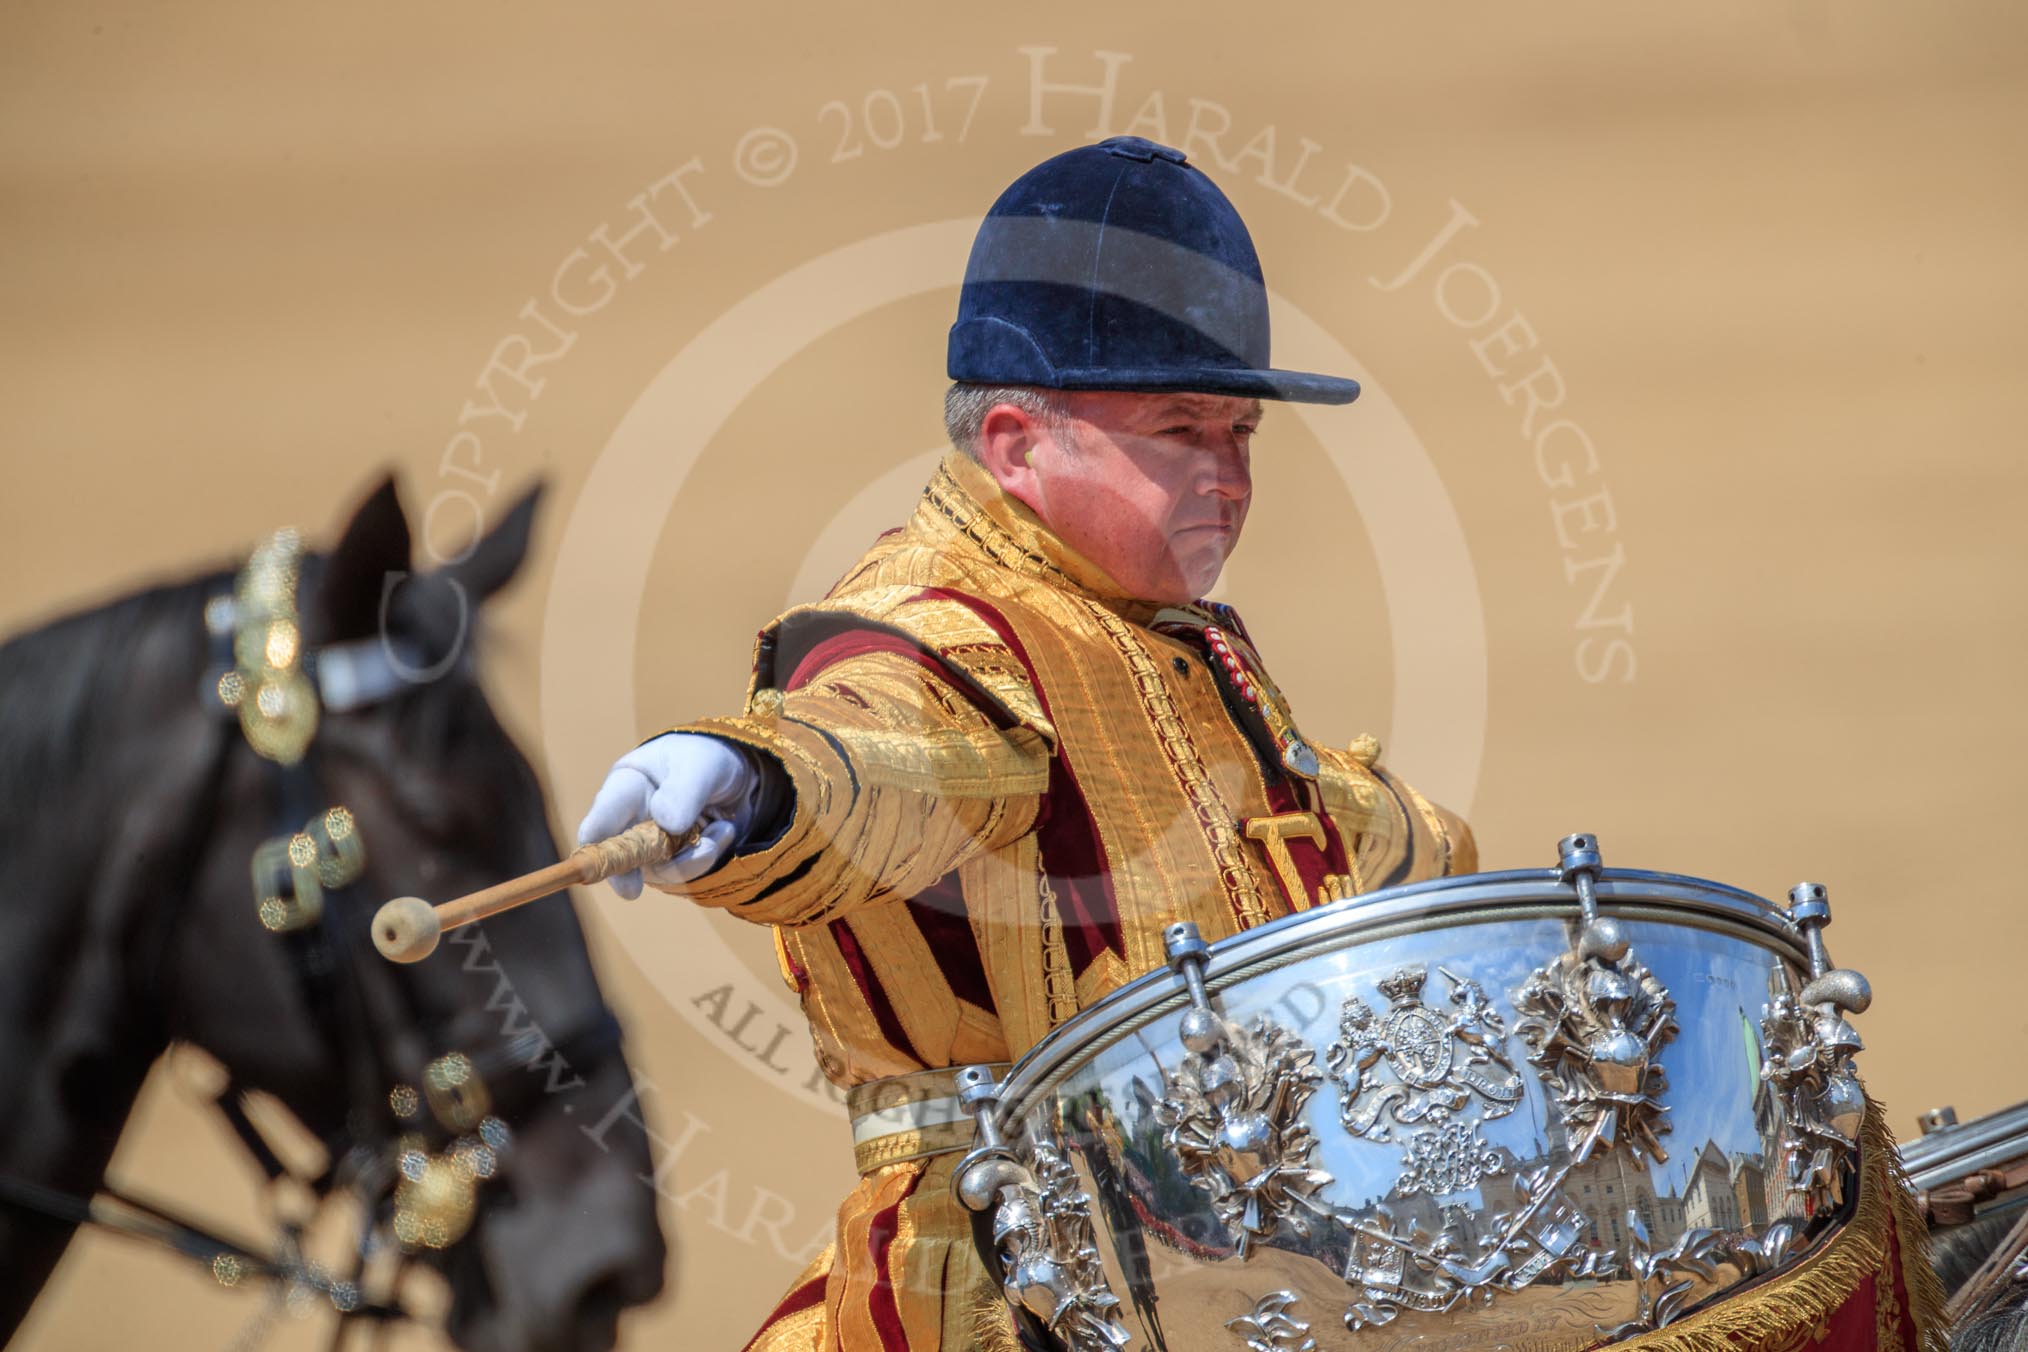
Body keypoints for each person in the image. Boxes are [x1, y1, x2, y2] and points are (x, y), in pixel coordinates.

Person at [577, 135, 1476, 1350]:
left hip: (1241, 1264)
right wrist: (755, 782)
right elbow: (885, 759)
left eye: (1242, 434)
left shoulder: (1165, 634)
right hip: (1017, 1292)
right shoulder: (935, 628)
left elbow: (1329, 858)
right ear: (1015, 443)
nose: (1229, 477)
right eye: (1181, 429)